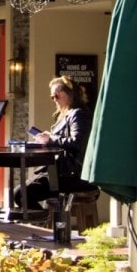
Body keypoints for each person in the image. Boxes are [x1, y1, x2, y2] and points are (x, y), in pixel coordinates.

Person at [18, 75, 92, 212]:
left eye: (56, 96)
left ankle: (44, 225)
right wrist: (47, 139)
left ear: (67, 94)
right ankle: (44, 224)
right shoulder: (65, 115)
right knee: (20, 193)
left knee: (22, 194)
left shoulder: (78, 114)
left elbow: (77, 142)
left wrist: (51, 139)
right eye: (52, 97)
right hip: (58, 171)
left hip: (70, 174)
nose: (54, 100)